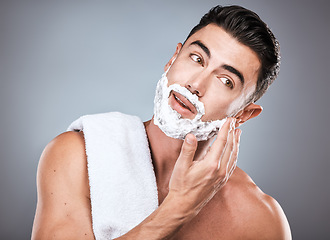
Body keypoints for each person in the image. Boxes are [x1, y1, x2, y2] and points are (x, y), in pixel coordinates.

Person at [32, 5, 291, 240]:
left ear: (243, 114)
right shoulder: (78, 157)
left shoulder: (260, 220)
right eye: (197, 58)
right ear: (172, 59)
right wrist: (176, 210)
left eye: (225, 81)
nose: (195, 84)